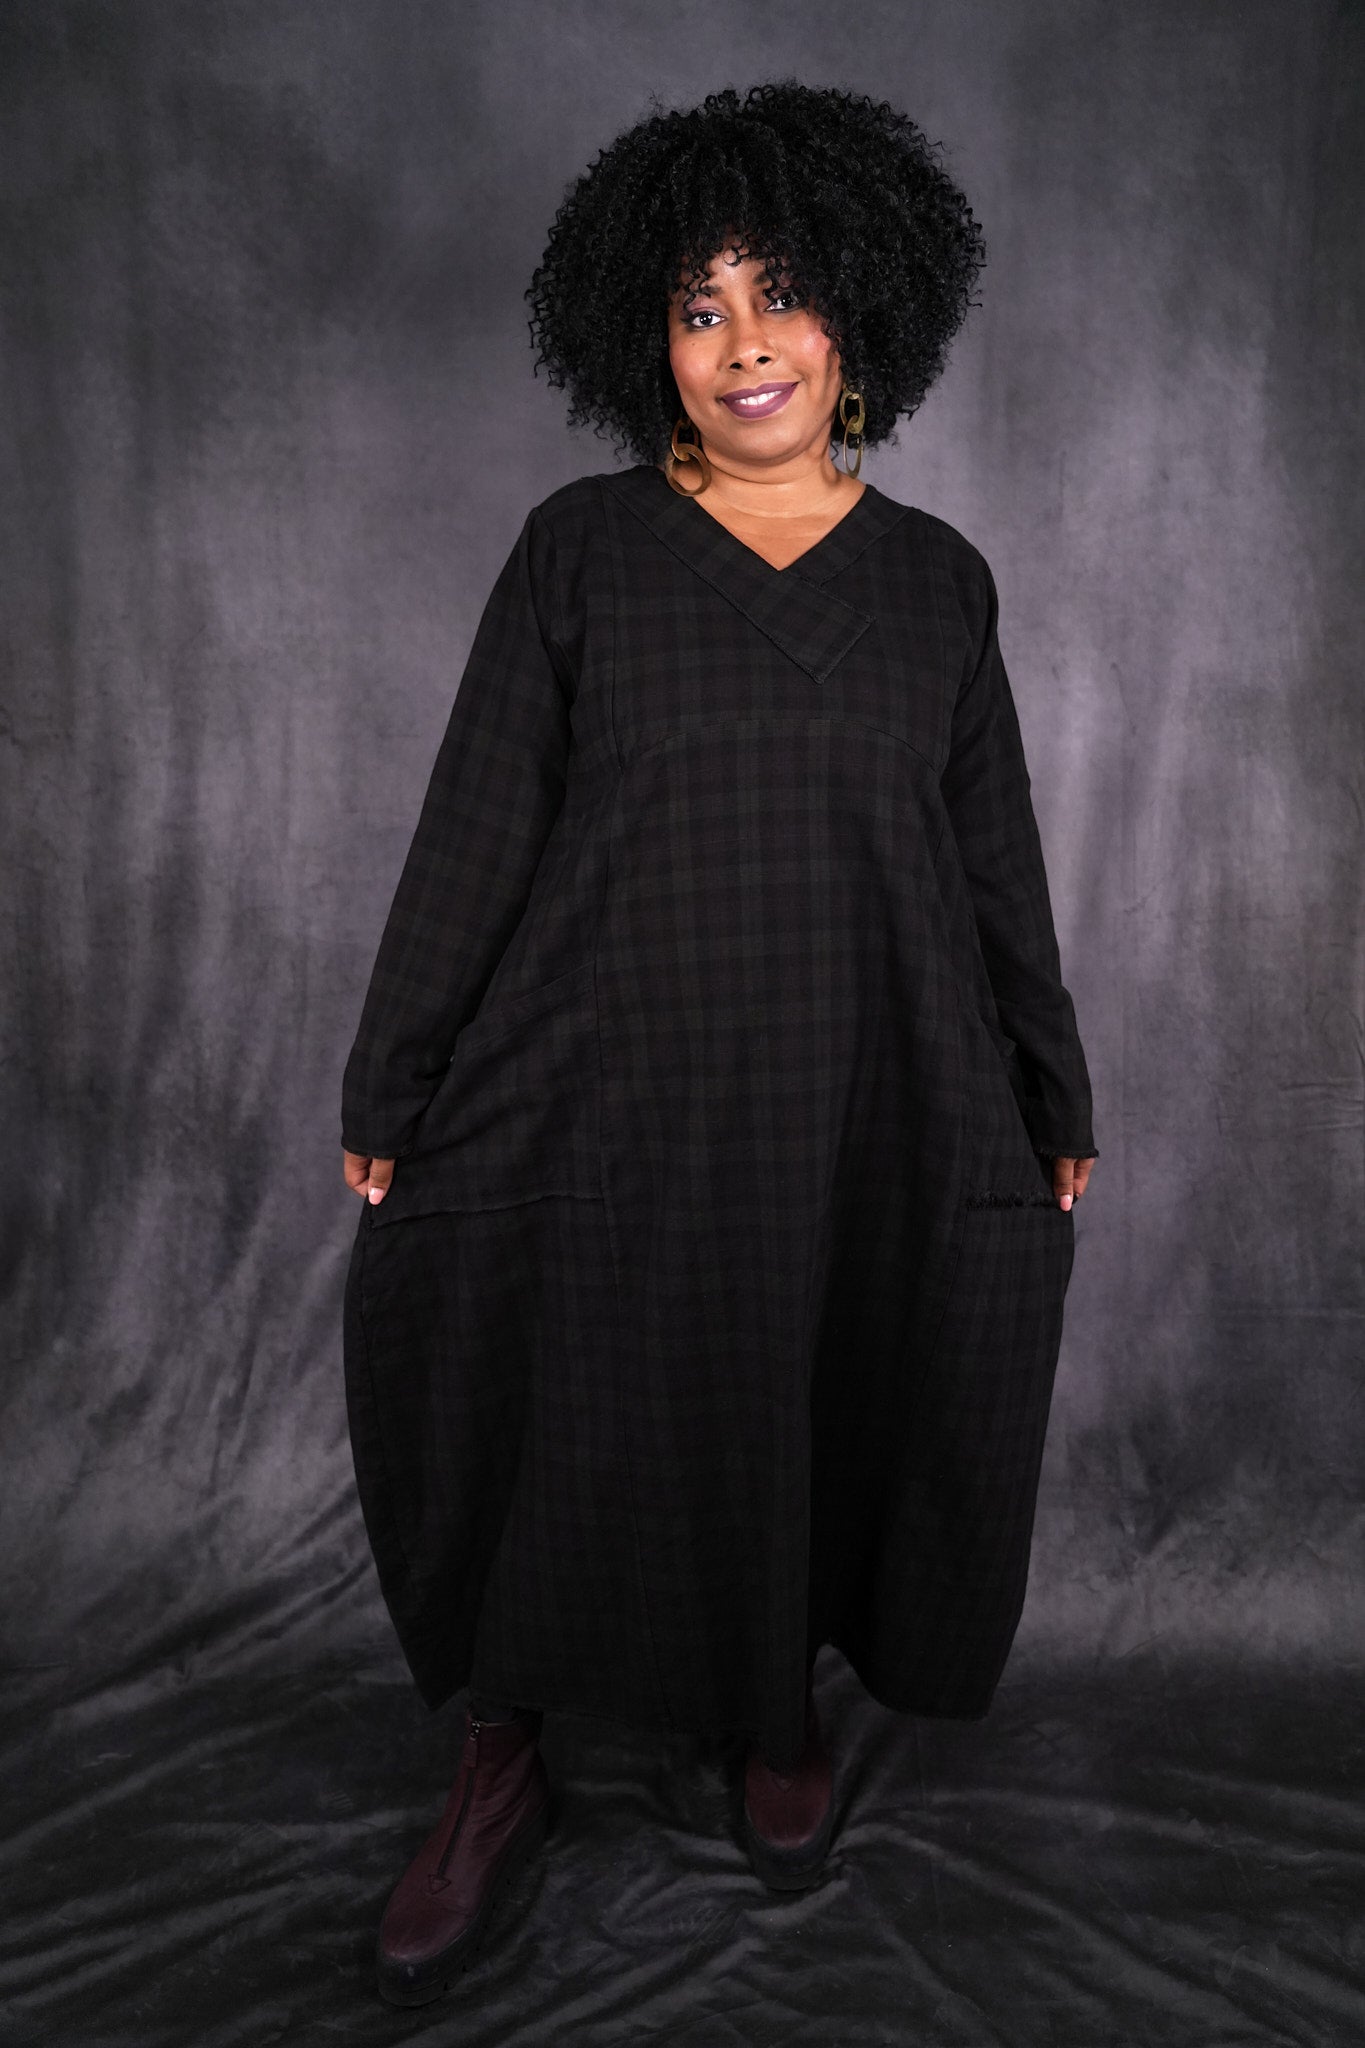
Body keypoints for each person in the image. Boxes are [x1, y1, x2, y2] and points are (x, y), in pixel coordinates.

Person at [339, 79, 1098, 2007]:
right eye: (698, 306)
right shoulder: (580, 553)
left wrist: (1047, 1082)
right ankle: (500, 1746)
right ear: (646, 343)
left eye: (780, 294)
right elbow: (476, 827)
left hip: (855, 1088)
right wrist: (395, 1074)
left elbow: (991, 861)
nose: (744, 342)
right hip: (595, 1090)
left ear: (859, 317)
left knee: (806, 1378)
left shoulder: (936, 584)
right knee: (526, 1365)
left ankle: (774, 1706)